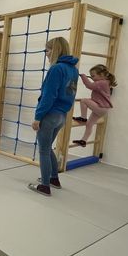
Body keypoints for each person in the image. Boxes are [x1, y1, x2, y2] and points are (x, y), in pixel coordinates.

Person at [28, 37, 79, 197]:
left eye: (48, 50)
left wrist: (38, 117)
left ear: (55, 50)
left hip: (50, 115)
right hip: (62, 116)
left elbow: (48, 95)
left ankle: (44, 186)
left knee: (43, 150)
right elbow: (70, 94)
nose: (46, 53)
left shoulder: (56, 69)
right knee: (48, 147)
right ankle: (53, 179)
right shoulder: (73, 70)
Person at [72, 64, 117, 147]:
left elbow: (89, 85)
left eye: (93, 76)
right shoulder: (104, 82)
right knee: (89, 124)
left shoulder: (102, 83)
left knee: (83, 101)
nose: (92, 78)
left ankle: (83, 118)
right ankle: (83, 141)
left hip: (101, 107)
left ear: (101, 75)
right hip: (102, 109)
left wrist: (83, 77)